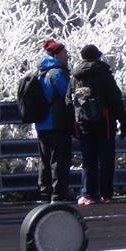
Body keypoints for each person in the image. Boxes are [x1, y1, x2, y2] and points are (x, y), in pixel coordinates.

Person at [67, 44, 126, 205]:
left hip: (83, 124)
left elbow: (68, 100)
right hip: (105, 123)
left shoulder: (75, 76)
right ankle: (105, 194)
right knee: (106, 159)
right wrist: (123, 119)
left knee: (88, 160)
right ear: (98, 56)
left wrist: (73, 123)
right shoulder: (104, 73)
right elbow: (115, 98)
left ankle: (87, 194)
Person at [36, 39, 73, 203]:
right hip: (57, 123)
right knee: (59, 159)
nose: (67, 57)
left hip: (42, 123)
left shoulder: (42, 72)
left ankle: (45, 193)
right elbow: (68, 94)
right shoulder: (57, 73)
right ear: (56, 55)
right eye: (65, 54)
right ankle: (58, 194)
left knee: (45, 160)